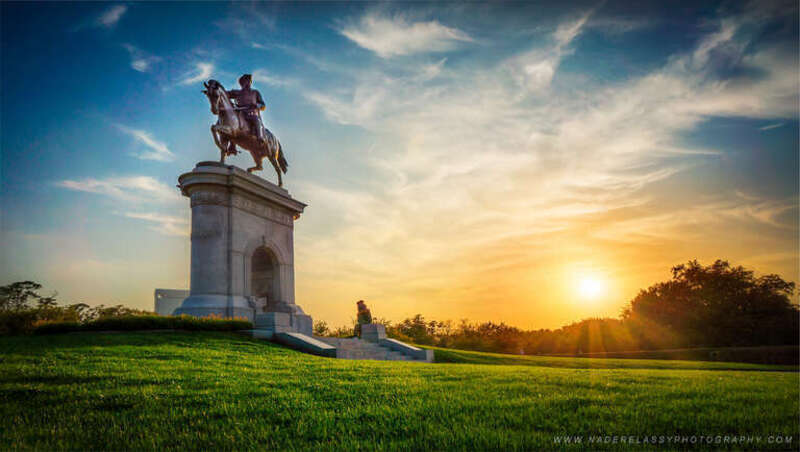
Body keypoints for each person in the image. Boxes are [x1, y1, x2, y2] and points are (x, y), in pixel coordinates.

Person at [226, 74, 266, 153]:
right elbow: (225, 94)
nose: (247, 83)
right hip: (240, 112)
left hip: (251, 113)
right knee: (232, 123)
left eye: (249, 81)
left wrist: (257, 105)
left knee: (256, 120)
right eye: (245, 81)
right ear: (241, 83)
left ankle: (260, 138)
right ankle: (232, 146)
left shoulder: (255, 92)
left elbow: (263, 105)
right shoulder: (237, 92)